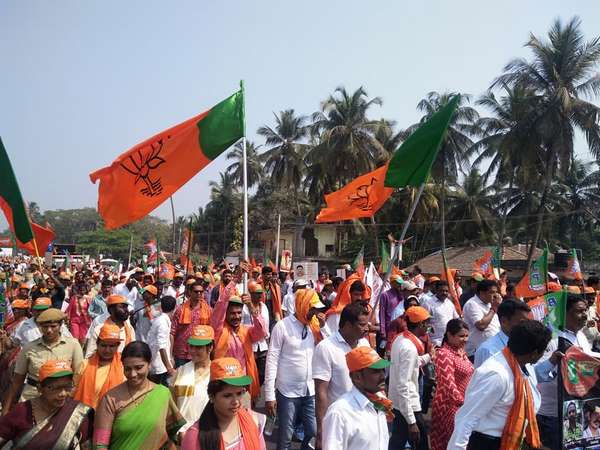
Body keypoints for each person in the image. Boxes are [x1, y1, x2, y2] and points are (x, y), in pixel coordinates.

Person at [448, 320, 552, 450]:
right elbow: (466, 418)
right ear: (535, 353)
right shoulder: (496, 374)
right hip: (488, 444)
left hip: (512, 440)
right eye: (544, 351)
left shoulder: (521, 366)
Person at [93, 341, 185, 449]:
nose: (133, 374)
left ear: (149, 364)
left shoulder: (163, 394)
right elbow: (100, 444)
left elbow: (168, 438)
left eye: (138, 367)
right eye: (127, 369)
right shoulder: (110, 399)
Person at [264, 288, 325, 450]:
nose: (315, 313)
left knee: (313, 432)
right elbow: (272, 360)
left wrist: (323, 327)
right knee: (285, 436)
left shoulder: (314, 327)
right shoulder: (282, 327)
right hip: (287, 392)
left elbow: (326, 348)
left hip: (309, 390)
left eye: (316, 309)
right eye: (312, 308)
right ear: (302, 305)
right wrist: (269, 395)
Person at [313, 301, 371, 448]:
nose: (367, 328)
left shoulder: (365, 344)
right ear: (347, 325)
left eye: (367, 324)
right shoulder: (326, 348)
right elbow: (321, 392)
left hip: (363, 418)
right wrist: (321, 431)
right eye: (362, 325)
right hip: (338, 423)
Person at [537, 294, 591, 450]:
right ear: (564, 313)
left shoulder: (581, 336)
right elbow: (536, 374)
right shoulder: (552, 338)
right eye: (579, 311)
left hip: (574, 411)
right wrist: (552, 361)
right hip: (552, 414)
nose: (585, 315)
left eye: (585, 310)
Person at [0, 360, 94, 449]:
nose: (63, 393)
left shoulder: (76, 413)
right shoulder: (22, 411)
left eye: (68, 387)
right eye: (55, 388)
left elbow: (87, 446)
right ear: (40, 388)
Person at [3, 308, 84, 412]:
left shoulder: (73, 345)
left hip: (61, 398)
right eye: (45, 327)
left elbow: (78, 377)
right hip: (32, 396)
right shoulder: (29, 348)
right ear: (40, 327)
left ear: (60, 325)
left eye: (53, 326)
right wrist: (5, 411)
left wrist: (69, 398)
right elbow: (16, 382)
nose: (49, 330)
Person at [181, 357, 266, 450]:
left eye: (239, 393)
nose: (235, 401)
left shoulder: (253, 421)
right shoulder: (195, 436)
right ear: (212, 397)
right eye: (227, 395)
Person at [322, 346, 391, 450]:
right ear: (357, 377)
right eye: (376, 371)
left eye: (383, 370)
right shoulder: (339, 412)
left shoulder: (380, 403)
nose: (382, 376)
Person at [389, 306, 434, 450]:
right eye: (427, 323)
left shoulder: (401, 339)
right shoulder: (409, 347)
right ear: (421, 324)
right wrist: (411, 421)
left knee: (397, 442)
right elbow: (404, 384)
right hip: (408, 405)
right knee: (420, 444)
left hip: (399, 403)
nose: (428, 327)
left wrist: (429, 357)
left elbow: (412, 363)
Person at [212, 283, 266, 402]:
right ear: (225, 314)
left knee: (245, 411)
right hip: (224, 384)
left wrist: (251, 307)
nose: (236, 316)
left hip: (243, 385)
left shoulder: (246, 331)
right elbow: (219, 308)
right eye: (232, 313)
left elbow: (262, 331)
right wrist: (233, 282)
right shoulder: (218, 330)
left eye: (239, 313)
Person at [430, 319, 474, 450]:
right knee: (451, 444)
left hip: (462, 405)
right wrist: (464, 405)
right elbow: (449, 385)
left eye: (466, 336)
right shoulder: (444, 354)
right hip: (449, 407)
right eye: (461, 336)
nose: (465, 339)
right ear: (449, 335)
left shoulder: (461, 351)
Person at [171, 325, 214, 435]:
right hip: (183, 434)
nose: (193, 351)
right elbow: (172, 405)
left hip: (208, 432)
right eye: (191, 346)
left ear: (210, 347)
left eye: (198, 347)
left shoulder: (217, 373)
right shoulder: (180, 372)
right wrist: (178, 430)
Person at [73, 323, 125, 408]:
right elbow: (73, 390)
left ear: (118, 346)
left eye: (112, 346)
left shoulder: (123, 366)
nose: (107, 350)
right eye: (104, 345)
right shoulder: (85, 365)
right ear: (97, 344)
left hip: (112, 413)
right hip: (84, 412)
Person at [171, 280, 212, 368]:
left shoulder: (208, 310)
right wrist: (170, 354)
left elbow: (210, 332)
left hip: (200, 353)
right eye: (196, 291)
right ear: (190, 292)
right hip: (181, 354)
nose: (199, 294)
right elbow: (172, 333)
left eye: (201, 292)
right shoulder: (180, 310)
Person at [462, 280, 502, 359]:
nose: (495, 295)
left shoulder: (490, 303)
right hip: (477, 351)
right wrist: (493, 309)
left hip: (493, 349)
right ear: (482, 292)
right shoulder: (472, 304)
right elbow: (481, 325)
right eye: (492, 292)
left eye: (496, 292)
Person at [242, 283, 270, 385]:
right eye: (257, 293)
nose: (259, 296)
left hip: (262, 346)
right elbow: (241, 325)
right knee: (250, 373)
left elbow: (266, 324)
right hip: (250, 345)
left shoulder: (264, 306)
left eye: (260, 293)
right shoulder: (244, 308)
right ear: (250, 293)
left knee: (262, 375)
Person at [148, 295, 177, 385]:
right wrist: (169, 368)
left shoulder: (162, 320)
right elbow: (162, 347)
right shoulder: (162, 323)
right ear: (174, 308)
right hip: (159, 365)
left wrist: (170, 358)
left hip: (161, 364)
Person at [422, 280, 459, 347]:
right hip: (435, 343)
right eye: (441, 291)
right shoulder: (428, 304)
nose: (444, 293)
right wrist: (430, 331)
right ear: (436, 290)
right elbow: (423, 324)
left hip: (449, 342)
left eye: (446, 291)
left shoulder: (449, 303)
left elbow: (456, 319)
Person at [379, 275, 404, 348]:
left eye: (400, 283)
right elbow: (382, 313)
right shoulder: (385, 295)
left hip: (399, 326)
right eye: (398, 283)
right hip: (389, 327)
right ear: (392, 283)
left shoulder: (400, 295)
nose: (399, 285)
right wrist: (382, 330)